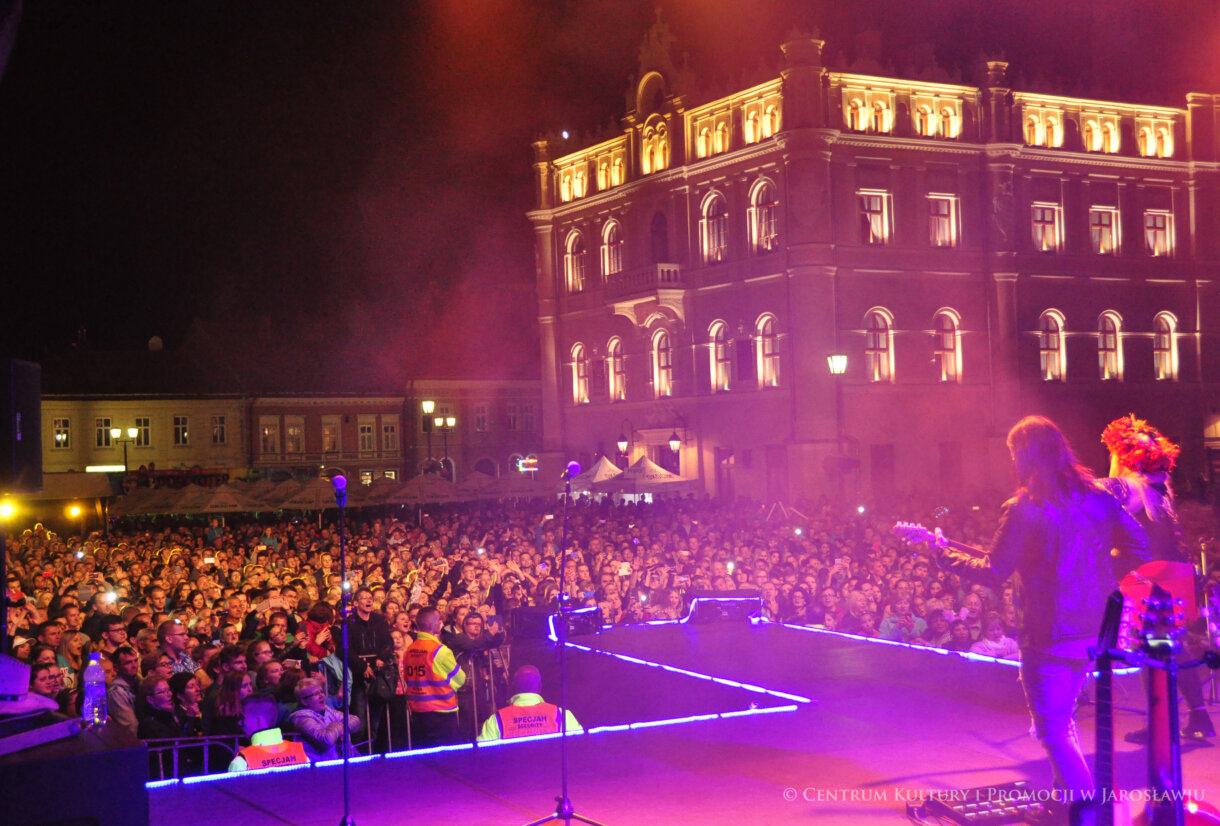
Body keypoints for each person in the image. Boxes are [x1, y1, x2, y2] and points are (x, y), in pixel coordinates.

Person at [931, 416, 1149, 822]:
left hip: (1048, 634)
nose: (1011, 459)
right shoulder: (1099, 498)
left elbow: (993, 572)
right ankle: (1061, 803)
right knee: (1062, 722)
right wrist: (1103, 568)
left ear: (1025, 455)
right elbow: (1139, 543)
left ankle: (1093, 812)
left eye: (1013, 452)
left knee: (1052, 730)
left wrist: (941, 553)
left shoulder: (1024, 508)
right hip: (1096, 630)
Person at [1100, 413, 1215, 741]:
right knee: (1170, 646)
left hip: (1151, 581)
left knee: (1150, 650)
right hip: (1174, 576)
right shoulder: (1161, 490)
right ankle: (1198, 718)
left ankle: (1160, 726)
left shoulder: (1129, 486)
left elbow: (1090, 494)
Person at [402, 606, 465, 746]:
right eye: (438, 619)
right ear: (431, 624)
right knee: (448, 759)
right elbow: (460, 679)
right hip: (441, 713)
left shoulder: (410, 650)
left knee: (425, 759)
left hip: (418, 712)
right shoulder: (440, 650)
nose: (440, 621)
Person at [478, 665, 581, 741]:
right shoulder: (561, 715)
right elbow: (579, 748)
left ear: (513, 688)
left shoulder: (497, 720)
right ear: (540, 687)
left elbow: (482, 758)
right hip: (553, 770)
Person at [227, 693, 308, 771]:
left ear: (259, 721)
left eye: (242, 718)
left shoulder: (241, 763)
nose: (239, 722)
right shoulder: (301, 753)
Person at [287, 676, 360, 761]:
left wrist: (339, 728)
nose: (321, 695)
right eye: (316, 694)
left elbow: (355, 720)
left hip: (334, 763)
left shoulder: (327, 711)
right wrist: (339, 726)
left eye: (321, 692)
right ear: (304, 701)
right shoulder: (300, 718)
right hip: (316, 767)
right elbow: (326, 740)